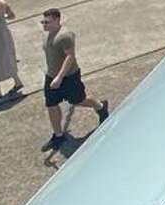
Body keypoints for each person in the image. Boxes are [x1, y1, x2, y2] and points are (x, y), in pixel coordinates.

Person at [39, 8, 111, 152]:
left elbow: (70, 57)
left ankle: (100, 107)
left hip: (69, 77)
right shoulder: (47, 35)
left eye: (47, 22)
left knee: (78, 100)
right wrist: (53, 76)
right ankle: (58, 136)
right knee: (51, 105)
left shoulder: (65, 36)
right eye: (43, 22)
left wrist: (60, 77)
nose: (44, 25)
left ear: (57, 20)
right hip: (51, 76)